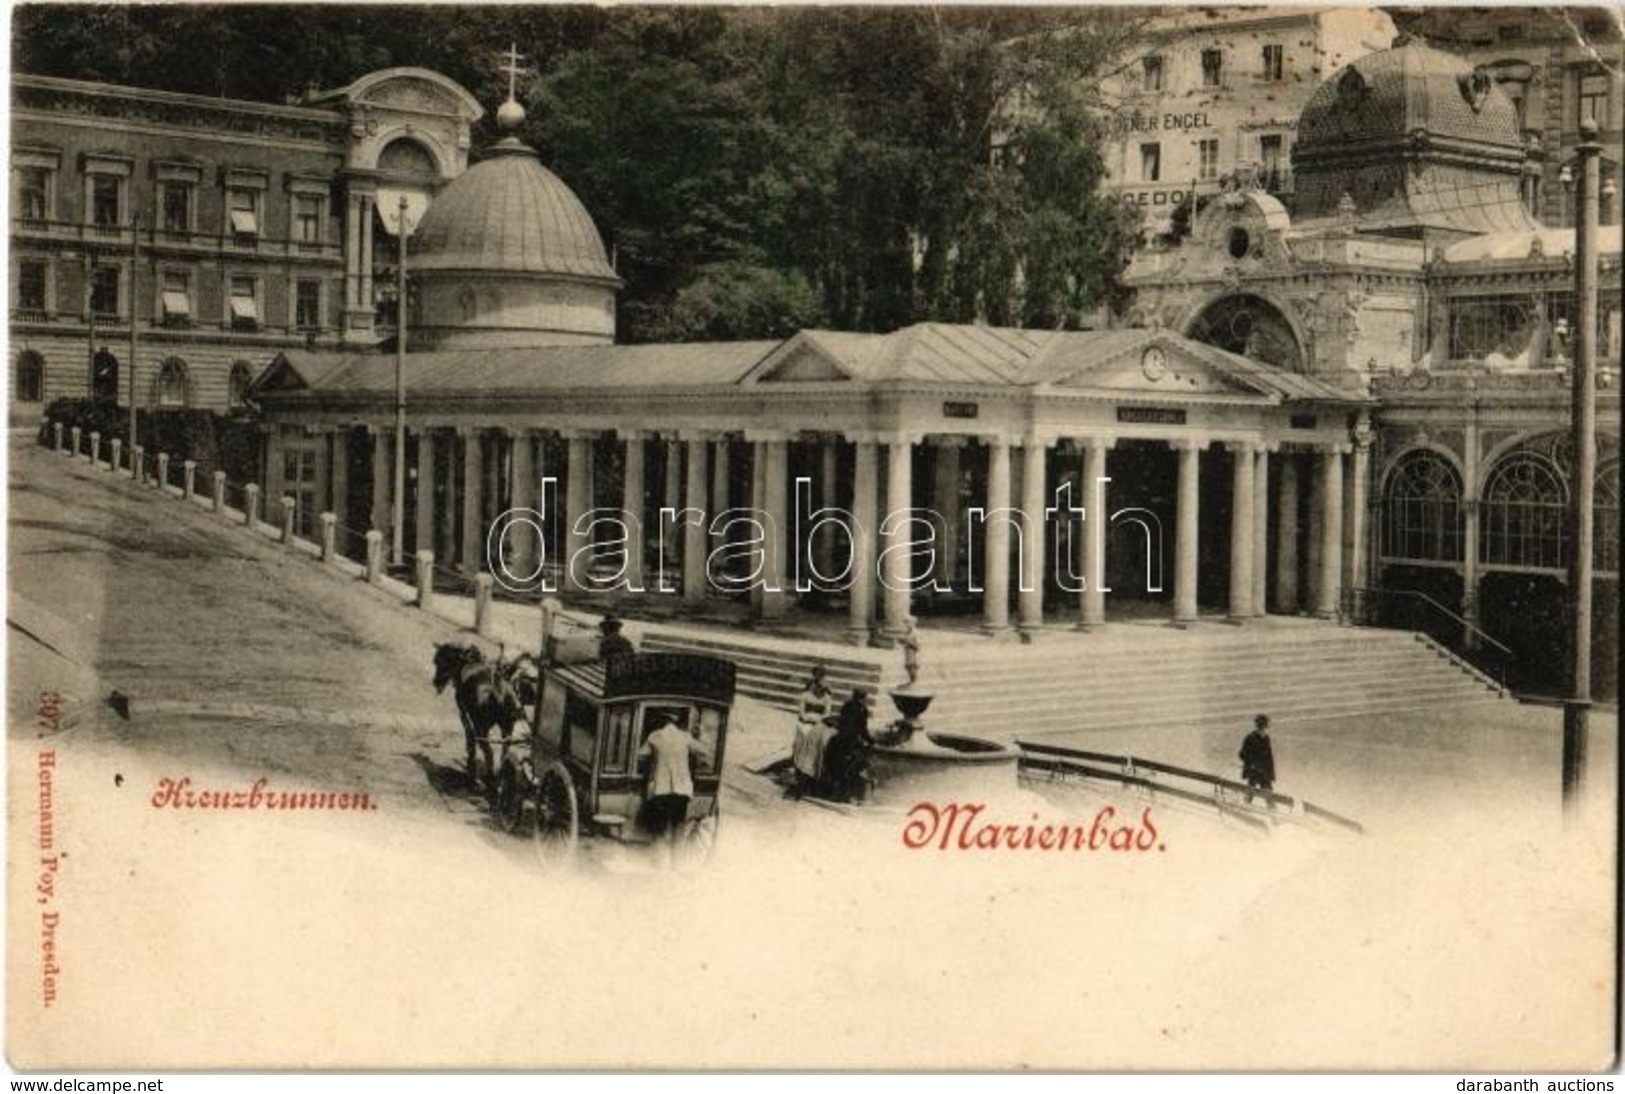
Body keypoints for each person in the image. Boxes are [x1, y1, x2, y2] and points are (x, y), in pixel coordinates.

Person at [639, 715, 710, 866]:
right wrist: (701, 735)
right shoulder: (685, 737)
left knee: (660, 827)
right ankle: (677, 864)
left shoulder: (655, 736)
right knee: (678, 826)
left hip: (661, 790)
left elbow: (641, 754)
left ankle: (659, 863)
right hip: (681, 791)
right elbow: (705, 752)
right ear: (676, 724)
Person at [822, 688, 875, 803]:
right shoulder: (862, 709)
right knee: (851, 766)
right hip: (851, 741)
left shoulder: (847, 705)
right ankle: (846, 794)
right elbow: (863, 729)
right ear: (862, 699)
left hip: (839, 740)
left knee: (837, 765)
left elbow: (842, 722)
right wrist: (871, 741)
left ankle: (835, 792)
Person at [791, 666, 836, 797]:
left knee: (820, 741)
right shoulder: (806, 695)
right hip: (805, 722)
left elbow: (827, 713)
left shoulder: (827, 698)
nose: (820, 690)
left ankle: (814, 771)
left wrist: (818, 720)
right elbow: (802, 712)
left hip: (818, 723)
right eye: (818, 687)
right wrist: (807, 718)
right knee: (803, 737)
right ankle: (800, 767)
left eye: (823, 688)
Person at [1239, 714, 1276, 806]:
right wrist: (1251, 764)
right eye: (1262, 724)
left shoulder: (1266, 738)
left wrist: (1270, 773)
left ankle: (1274, 815)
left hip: (1264, 772)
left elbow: (1269, 758)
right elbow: (1242, 754)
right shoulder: (1250, 738)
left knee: (1269, 796)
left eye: (1264, 724)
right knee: (1250, 795)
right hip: (1254, 771)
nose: (1263, 727)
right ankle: (1245, 810)